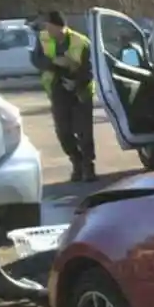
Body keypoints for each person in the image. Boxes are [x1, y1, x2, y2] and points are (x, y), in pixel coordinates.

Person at [33, 10, 97, 182]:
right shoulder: (43, 39)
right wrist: (55, 63)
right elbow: (36, 60)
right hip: (57, 90)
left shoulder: (81, 42)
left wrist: (76, 81)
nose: (48, 30)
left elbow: (90, 69)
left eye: (50, 26)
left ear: (60, 26)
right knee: (64, 132)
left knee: (84, 132)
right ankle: (76, 161)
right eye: (46, 26)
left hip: (80, 90)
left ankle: (88, 167)